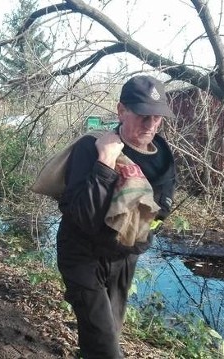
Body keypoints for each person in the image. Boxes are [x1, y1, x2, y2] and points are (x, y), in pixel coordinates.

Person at [56, 75, 176, 358]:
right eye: (142, 115)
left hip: (123, 258)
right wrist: (105, 163)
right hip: (81, 255)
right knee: (106, 345)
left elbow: (162, 210)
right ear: (121, 110)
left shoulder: (163, 157)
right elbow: (83, 216)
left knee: (109, 329)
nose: (150, 125)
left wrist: (139, 242)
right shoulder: (91, 147)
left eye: (157, 117)